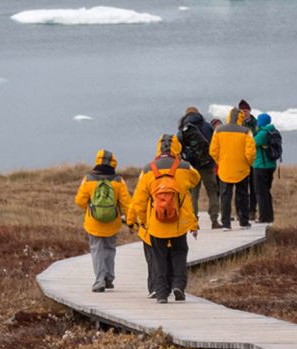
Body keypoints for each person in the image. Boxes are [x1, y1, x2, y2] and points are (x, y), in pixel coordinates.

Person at [131, 134, 200, 303]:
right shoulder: (184, 168)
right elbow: (196, 178)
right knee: (179, 254)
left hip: (156, 224)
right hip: (179, 223)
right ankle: (178, 286)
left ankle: (161, 294)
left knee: (158, 258)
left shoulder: (148, 170)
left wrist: (142, 221)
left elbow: (139, 201)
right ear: (176, 147)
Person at [73, 149, 133, 293]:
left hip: (94, 222)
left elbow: (80, 202)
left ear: (97, 160)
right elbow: (127, 204)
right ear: (113, 162)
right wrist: (131, 221)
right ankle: (109, 278)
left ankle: (99, 281)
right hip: (112, 223)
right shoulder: (118, 181)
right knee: (110, 249)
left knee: (97, 250)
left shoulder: (88, 179)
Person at [209, 107, 256, 230]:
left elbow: (213, 151)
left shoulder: (218, 131)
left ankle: (226, 224)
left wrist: (220, 161)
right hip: (242, 169)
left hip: (225, 169)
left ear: (229, 117)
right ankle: (244, 222)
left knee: (225, 197)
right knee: (243, 196)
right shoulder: (246, 131)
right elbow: (250, 152)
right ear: (241, 118)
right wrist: (248, 163)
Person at [177, 106, 221, 230]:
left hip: (191, 166)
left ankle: (193, 220)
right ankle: (214, 220)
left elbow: (178, 147)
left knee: (193, 194)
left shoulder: (183, 129)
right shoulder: (207, 126)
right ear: (198, 113)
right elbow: (215, 143)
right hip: (208, 165)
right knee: (212, 191)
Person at [252, 113, 279, 223]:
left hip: (260, 166)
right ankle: (269, 216)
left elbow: (251, 143)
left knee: (260, 192)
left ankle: (263, 217)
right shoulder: (274, 131)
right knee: (266, 192)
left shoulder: (262, 134)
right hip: (271, 165)